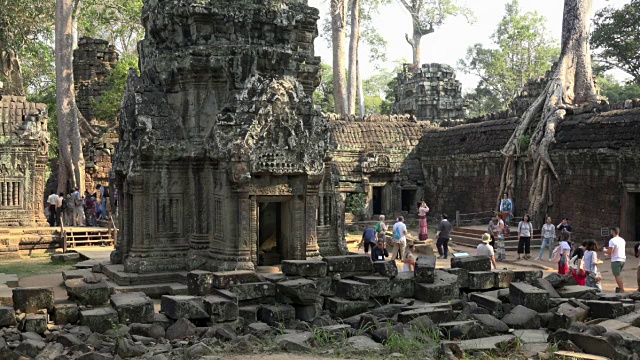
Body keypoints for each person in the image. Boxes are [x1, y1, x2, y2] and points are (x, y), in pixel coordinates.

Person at [606, 227, 626, 293]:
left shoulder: (612, 240)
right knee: (618, 275)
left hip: (616, 260)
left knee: (617, 276)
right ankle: (621, 288)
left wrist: (605, 251)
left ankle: (622, 290)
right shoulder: (623, 240)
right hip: (622, 259)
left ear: (613, 232)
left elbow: (610, 251)